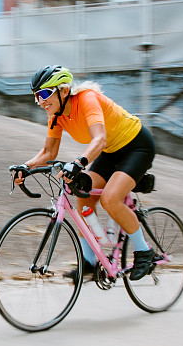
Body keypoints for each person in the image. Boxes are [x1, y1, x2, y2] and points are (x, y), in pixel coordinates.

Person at [15, 65, 157, 281]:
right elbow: (48, 151)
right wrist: (26, 167)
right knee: (83, 197)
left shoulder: (87, 99)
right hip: (110, 151)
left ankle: (144, 251)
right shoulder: (56, 115)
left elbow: (99, 139)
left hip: (136, 146)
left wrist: (78, 163)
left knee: (110, 199)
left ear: (63, 91)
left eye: (44, 94)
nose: (41, 101)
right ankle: (90, 261)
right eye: (37, 96)